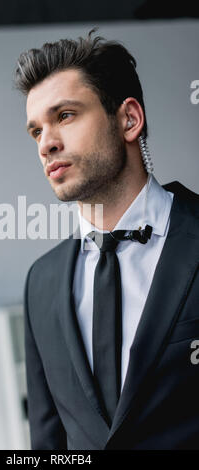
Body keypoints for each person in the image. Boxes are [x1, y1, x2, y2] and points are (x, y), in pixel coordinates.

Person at [14, 29, 199, 450]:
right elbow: (48, 445)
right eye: (35, 131)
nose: (46, 143)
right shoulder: (40, 283)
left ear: (129, 119)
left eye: (64, 116)